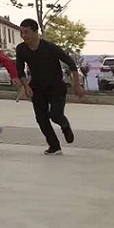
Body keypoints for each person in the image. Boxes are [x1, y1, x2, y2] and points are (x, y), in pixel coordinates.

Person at [16, 18, 85, 155]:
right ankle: (54, 146)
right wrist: (26, 86)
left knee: (55, 115)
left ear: (35, 32)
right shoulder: (21, 49)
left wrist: (77, 86)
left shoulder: (49, 47)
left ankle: (65, 125)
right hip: (37, 88)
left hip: (56, 87)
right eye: (21, 32)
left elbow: (71, 64)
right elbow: (20, 70)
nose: (23, 35)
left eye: (26, 32)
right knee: (41, 118)